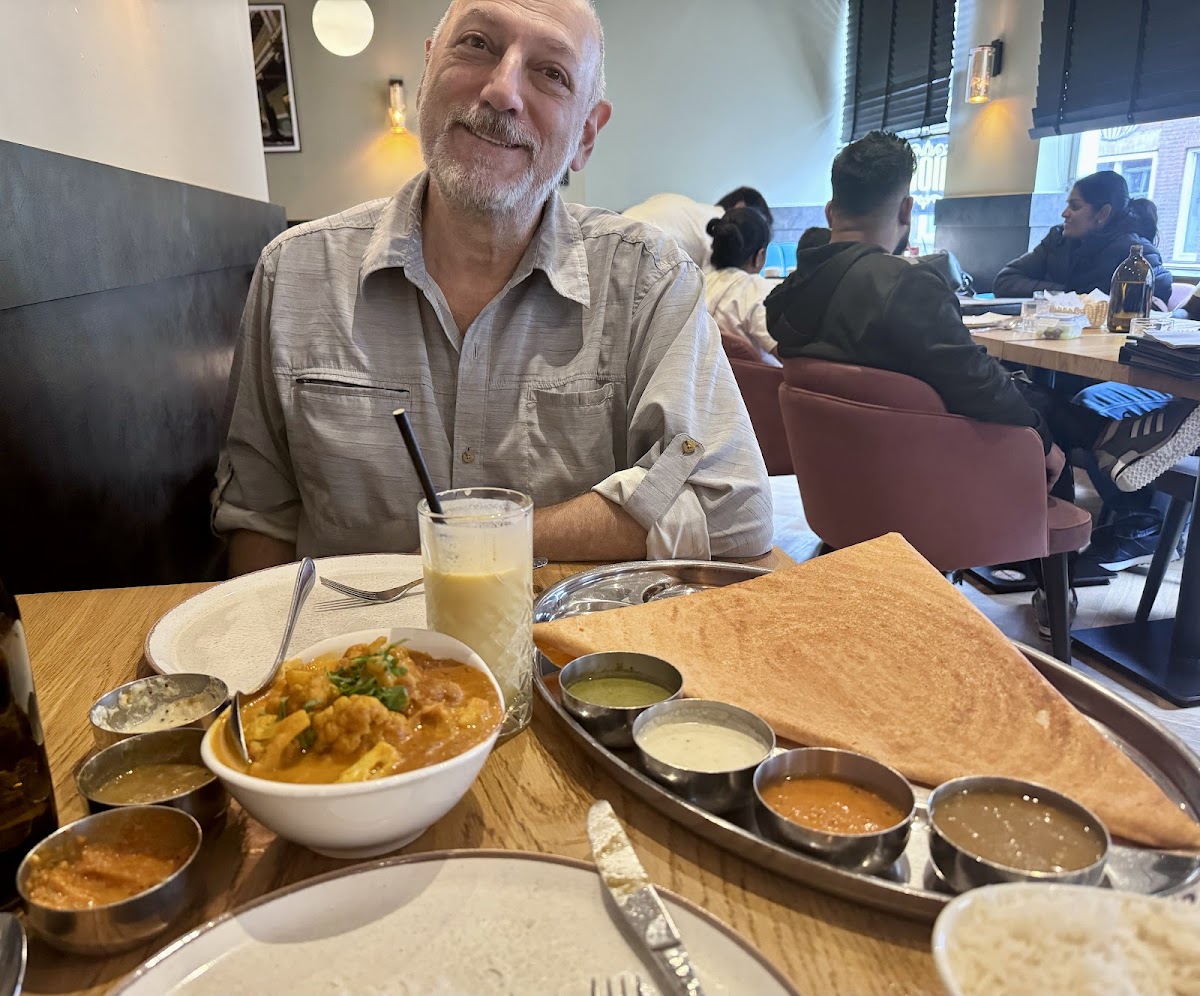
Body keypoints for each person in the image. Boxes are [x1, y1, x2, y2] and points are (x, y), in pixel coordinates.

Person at [213, 0, 772, 577]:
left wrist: (485, 541)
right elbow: (258, 515)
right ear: (429, 70)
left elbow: (733, 507)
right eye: (478, 44)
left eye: (551, 73)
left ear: (586, 133)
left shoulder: (648, 281)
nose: (502, 90)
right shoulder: (292, 273)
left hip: (565, 658)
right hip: (350, 657)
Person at [765, 130, 1200, 635]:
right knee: (1029, 409)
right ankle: (1109, 445)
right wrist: (1039, 439)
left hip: (850, 490)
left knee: (1027, 398)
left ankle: (1108, 437)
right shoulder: (903, 284)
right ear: (906, 210)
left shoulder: (789, 295)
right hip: (930, 488)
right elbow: (975, 384)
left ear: (829, 211)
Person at [993, 172, 1172, 300]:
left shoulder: (1137, 252)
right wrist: (1067, 295)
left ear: (1103, 213)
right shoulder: (1058, 239)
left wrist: (1063, 296)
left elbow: (1158, 293)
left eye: (1075, 206)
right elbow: (1004, 281)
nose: (1065, 213)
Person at [624, 185, 771, 269]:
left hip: (609, 239)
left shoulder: (690, 209)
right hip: (634, 258)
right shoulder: (719, 237)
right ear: (741, 208)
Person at [704, 207, 778, 366]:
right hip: (761, 386)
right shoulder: (755, 289)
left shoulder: (699, 285)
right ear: (760, 256)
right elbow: (783, 352)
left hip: (712, 385)